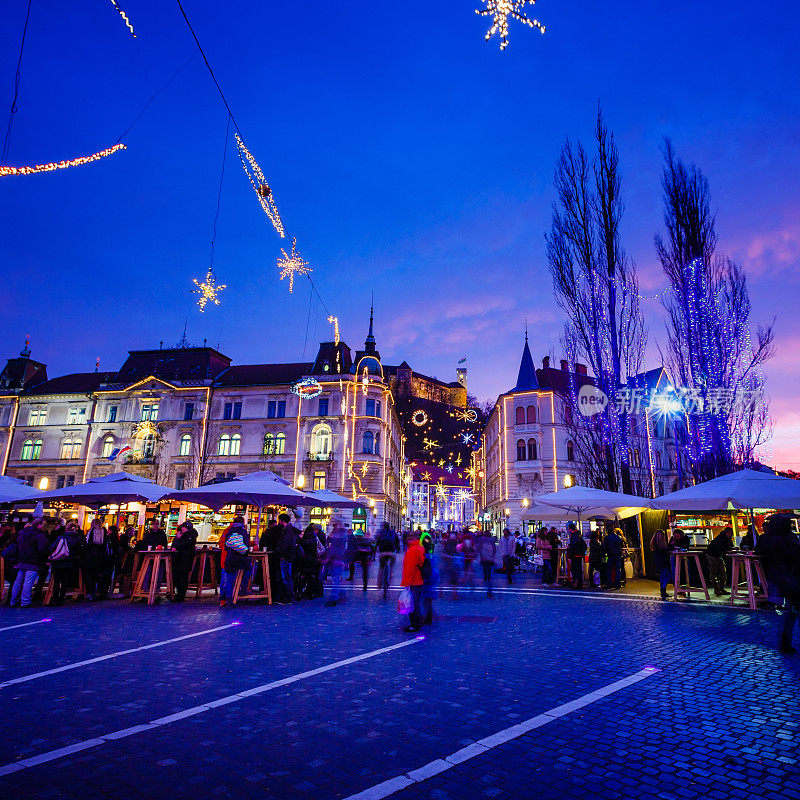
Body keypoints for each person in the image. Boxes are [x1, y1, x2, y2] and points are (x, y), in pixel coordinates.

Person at [756, 513, 800, 654]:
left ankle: (785, 640)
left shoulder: (767, 539)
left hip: (779, 578)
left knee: (792, 610)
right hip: (791, 577)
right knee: (793, 609)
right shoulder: (788, 539)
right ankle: (786, 641)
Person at [9, 517, 48, 608]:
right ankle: (25, 601)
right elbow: (42, 549)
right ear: (40, 525)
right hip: (33, 560)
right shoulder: (39, 535)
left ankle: (13, 600)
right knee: (28, 582)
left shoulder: (23, 533)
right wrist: (44, 559)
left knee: (18, 581)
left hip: (22, 559)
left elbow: (17, 546)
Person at [49, 520, 85, 604]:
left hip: (58, 561)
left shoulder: (61, 537)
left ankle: (55, 598)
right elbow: (79, 550)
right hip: (70, 561)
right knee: (65, 581)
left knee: (56, 581)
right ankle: (61, 598)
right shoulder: (78, 538)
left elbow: (52, 547)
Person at [220, 515, 250, 607]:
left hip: (228, 559)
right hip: (241, 560)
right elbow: (246, 546)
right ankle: (242, 590)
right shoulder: (243, 532)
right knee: (248, 571)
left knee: (229, 580)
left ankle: (227, 600)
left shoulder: (228, 531)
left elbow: (224, 545)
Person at [401, 531, 425, 632]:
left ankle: (414, 624)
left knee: (412, 603)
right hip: (419, 579)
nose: (407, 539)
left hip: (414, 580)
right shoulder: (419, 548)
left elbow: (410, 568)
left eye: (409, 537)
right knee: (416, 602)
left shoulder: (412, 550)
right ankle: (417, 622)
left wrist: (406, 582)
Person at [276, 513, 302, 603]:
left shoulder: (287, 531)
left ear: (282, 521)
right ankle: (289, 597)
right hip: (290, 556)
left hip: (286, 557)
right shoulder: (292, 530)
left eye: (279, 520)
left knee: (286, 578)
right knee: (288, 577)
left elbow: (286, 545)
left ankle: (288, 598)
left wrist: (281, 554)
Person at [83, 519, 111, 601]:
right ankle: (101, 592)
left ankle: (91, 593)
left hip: (92, 557)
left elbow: (88, 543)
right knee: (100, 576)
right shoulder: (104, 532)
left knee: (90, 576)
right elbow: (106, 544)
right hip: (102, 557)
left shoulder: (91, 532)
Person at [323, 517, 347, 607]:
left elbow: (332, 543)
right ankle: (341, 594)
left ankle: (334, 598)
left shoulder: (340, 534)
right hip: (337, 559)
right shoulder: (340, 533)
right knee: (336, 578)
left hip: (338, 559)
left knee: (335, 579)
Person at [259, 517, 284, 603]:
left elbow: (262, 544)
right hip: (275, 557)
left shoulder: (267, 533)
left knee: (268, 574)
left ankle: (266, 591)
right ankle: (273, 594)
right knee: (276, 575)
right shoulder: (280, 532)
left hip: (268, 557)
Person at [171, 521, 198, 601]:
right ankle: (178, 594)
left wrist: (178, 541)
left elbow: (184, 545)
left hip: (184, 559)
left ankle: (180, 594)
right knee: (180, 576)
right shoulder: (188, 535)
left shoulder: (189, 536)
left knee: (181, 577)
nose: (182, 529)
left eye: (183, 527)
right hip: (182, 559)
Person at [706, 526, 734, 596]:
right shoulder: (721, 538)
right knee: (715, 573)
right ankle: (717, 589)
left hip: (717, 555)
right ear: (727, 532)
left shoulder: (725, 537)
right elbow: (721, 548)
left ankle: (720, 588)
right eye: (730, 533)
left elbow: (728, 547)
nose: (730, 534)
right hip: (713, 555)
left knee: (722, 573)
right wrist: (730, 550)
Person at [375, 521, 400, 594]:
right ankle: (390, 578)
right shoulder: (393, 532)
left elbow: (377, 541)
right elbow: (397, 542)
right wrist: (397, 549)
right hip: (391, 552)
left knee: (381, 567)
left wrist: (376, 548)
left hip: (383, 552)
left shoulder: (381, 532)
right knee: (392, 566)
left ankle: (379, 584)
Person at [419, 532, 437, 624]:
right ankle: (428, 616)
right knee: (427, 597)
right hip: (430, 573)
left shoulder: (422, 551)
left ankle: (425, 617)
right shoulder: (431, 553)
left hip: (425, 573)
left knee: (424, 597)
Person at [650, 528, 671, 600]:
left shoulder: (654, 543)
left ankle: (663, 589)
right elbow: (667, 550)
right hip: (664, 560)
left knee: (662, 575)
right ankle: (663, 588)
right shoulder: (663, 544)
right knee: (668, 575)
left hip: (657, 559)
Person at [476, 529, 496, 598]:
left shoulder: (482, 540)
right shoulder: (491, 541)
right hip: (490, 560)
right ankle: (489, 591)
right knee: (490, 574)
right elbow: (494, 550)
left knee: (486, 571)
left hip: (485, 559)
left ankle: (486, 580)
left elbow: (479, 549)